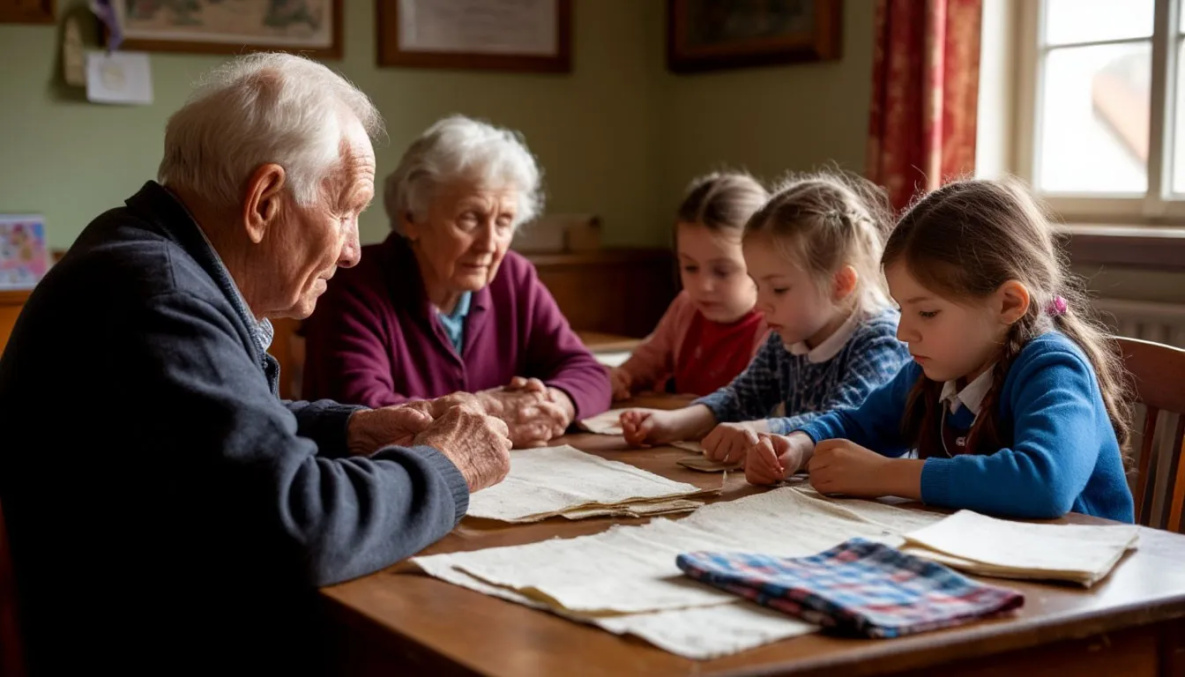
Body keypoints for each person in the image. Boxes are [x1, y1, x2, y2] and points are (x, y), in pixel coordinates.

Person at [0, 54, 513, 674]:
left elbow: (203, 429)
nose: (353, 250)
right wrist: (449, 465)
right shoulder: (162, 297)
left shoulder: (141, 254)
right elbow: (301, 526)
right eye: (346, 210)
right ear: (264, 200)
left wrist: (350, 428)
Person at [745, 179, 1136, 522]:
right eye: (901, 309)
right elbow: (860, 424)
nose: (902, 332)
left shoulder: (1051, 368)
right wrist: (799, 446)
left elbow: (1043, 482)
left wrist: (885, 474)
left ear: (1007, 304)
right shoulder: (938, 368)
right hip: (985, 560)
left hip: (1082, 581)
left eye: (927, 312)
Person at [302, 115, 611, 448]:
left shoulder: (513, 277)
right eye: (470, 218)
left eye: (504, 222)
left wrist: (554, 404)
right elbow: (363, 413)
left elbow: (588, 372)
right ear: (411, 218)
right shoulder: (354, 285)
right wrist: (493, 410)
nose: (489, 243)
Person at [622, 171, 910, 462]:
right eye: (757, 285)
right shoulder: (789, 333)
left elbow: (846, 422)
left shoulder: (882, 338)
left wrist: (758, 429)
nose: (760, 305)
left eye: (778, 289)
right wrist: (672, 423)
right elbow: (741, 397)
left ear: (840, 284)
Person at [609, 172, 770, 400]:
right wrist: (622, 377)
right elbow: (648, 359)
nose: (704, 286)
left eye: (722, 271)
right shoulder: (685, 307)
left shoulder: (773, 324)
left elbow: (756, 402)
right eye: (690, 267)